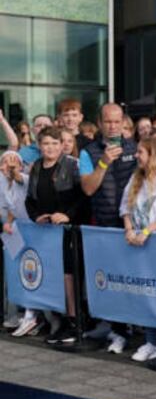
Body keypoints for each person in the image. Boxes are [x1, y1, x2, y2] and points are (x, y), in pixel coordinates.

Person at [79, 103, 139, 353]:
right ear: (100, 123)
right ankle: (117, 330)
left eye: (117, 121)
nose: (113, 126)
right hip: (104, 225)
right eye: (108, 121)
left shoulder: (135, 149)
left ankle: (141, 330)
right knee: (111, 280)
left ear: (123, 122)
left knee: (135, 280)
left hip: (134, 227)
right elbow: (88, 188)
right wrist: (103, 162)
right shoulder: (88, 152)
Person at [120, 138, 156, 362]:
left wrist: (145, 232)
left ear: (153, 155)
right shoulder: (136, 178)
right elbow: (125, 206)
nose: (137, 156)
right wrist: (129, 229)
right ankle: (150, 339)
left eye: (141, 152)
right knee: (144, 292)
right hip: (138, 244)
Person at [25, 126, 85, 346]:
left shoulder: (72, 165)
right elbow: (30, 199)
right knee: (52, 276)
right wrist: (36, 216)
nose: (50, 148)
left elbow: (83, 197)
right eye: (45, 143)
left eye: (54, 143)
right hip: (47, 232)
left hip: (70, 230)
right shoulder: (37, 167)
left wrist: (67, 215)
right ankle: (58, 322)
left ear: (62, 145)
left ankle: (75, 322)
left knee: (69, 276)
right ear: (39, 146)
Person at [0, 150, 34, 334]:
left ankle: (33, 316)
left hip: (32, 234)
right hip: (12, 236)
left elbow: (18, 179)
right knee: (13, 275)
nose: (8, 165)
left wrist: (14, 171)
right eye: (4, 162)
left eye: (13, 162)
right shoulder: (1, 183)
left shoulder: (26, 180)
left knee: (32, 274)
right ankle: (13, 316)